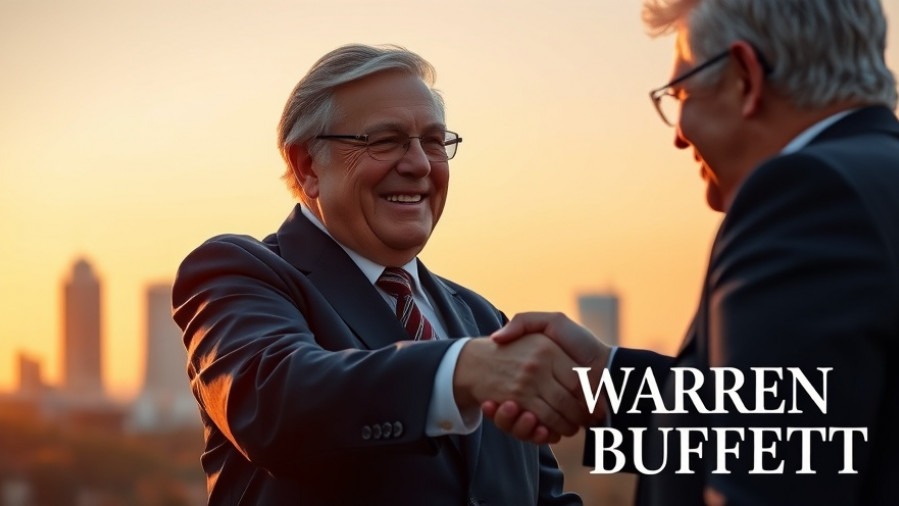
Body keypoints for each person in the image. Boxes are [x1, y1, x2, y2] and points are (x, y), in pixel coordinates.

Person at [484, 0, 899, 505]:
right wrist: (608, 379)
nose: (679, 135)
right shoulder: (877, 179)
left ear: (745, 75)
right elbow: (798, 412)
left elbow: (769, 469)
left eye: (680, 91)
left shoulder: (805, 192)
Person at [171, 44, 584, 505]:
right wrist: (460, 371)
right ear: (307, 166)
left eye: (434, 141)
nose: (419, 164)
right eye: (384, 140)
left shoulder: (485, 320)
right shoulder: (238, 273)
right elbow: (274, 404)